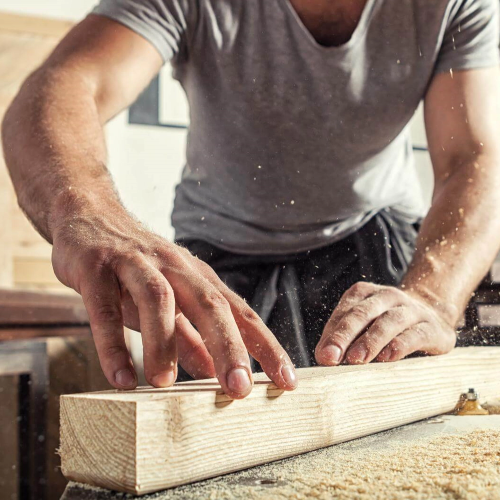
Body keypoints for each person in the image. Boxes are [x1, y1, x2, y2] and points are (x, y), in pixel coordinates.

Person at [3, 0, 500, 400]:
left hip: (374, 250)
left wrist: (433, 298)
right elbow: (65, 86)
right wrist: (88, 212)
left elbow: (473, 158)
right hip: (221, 261)